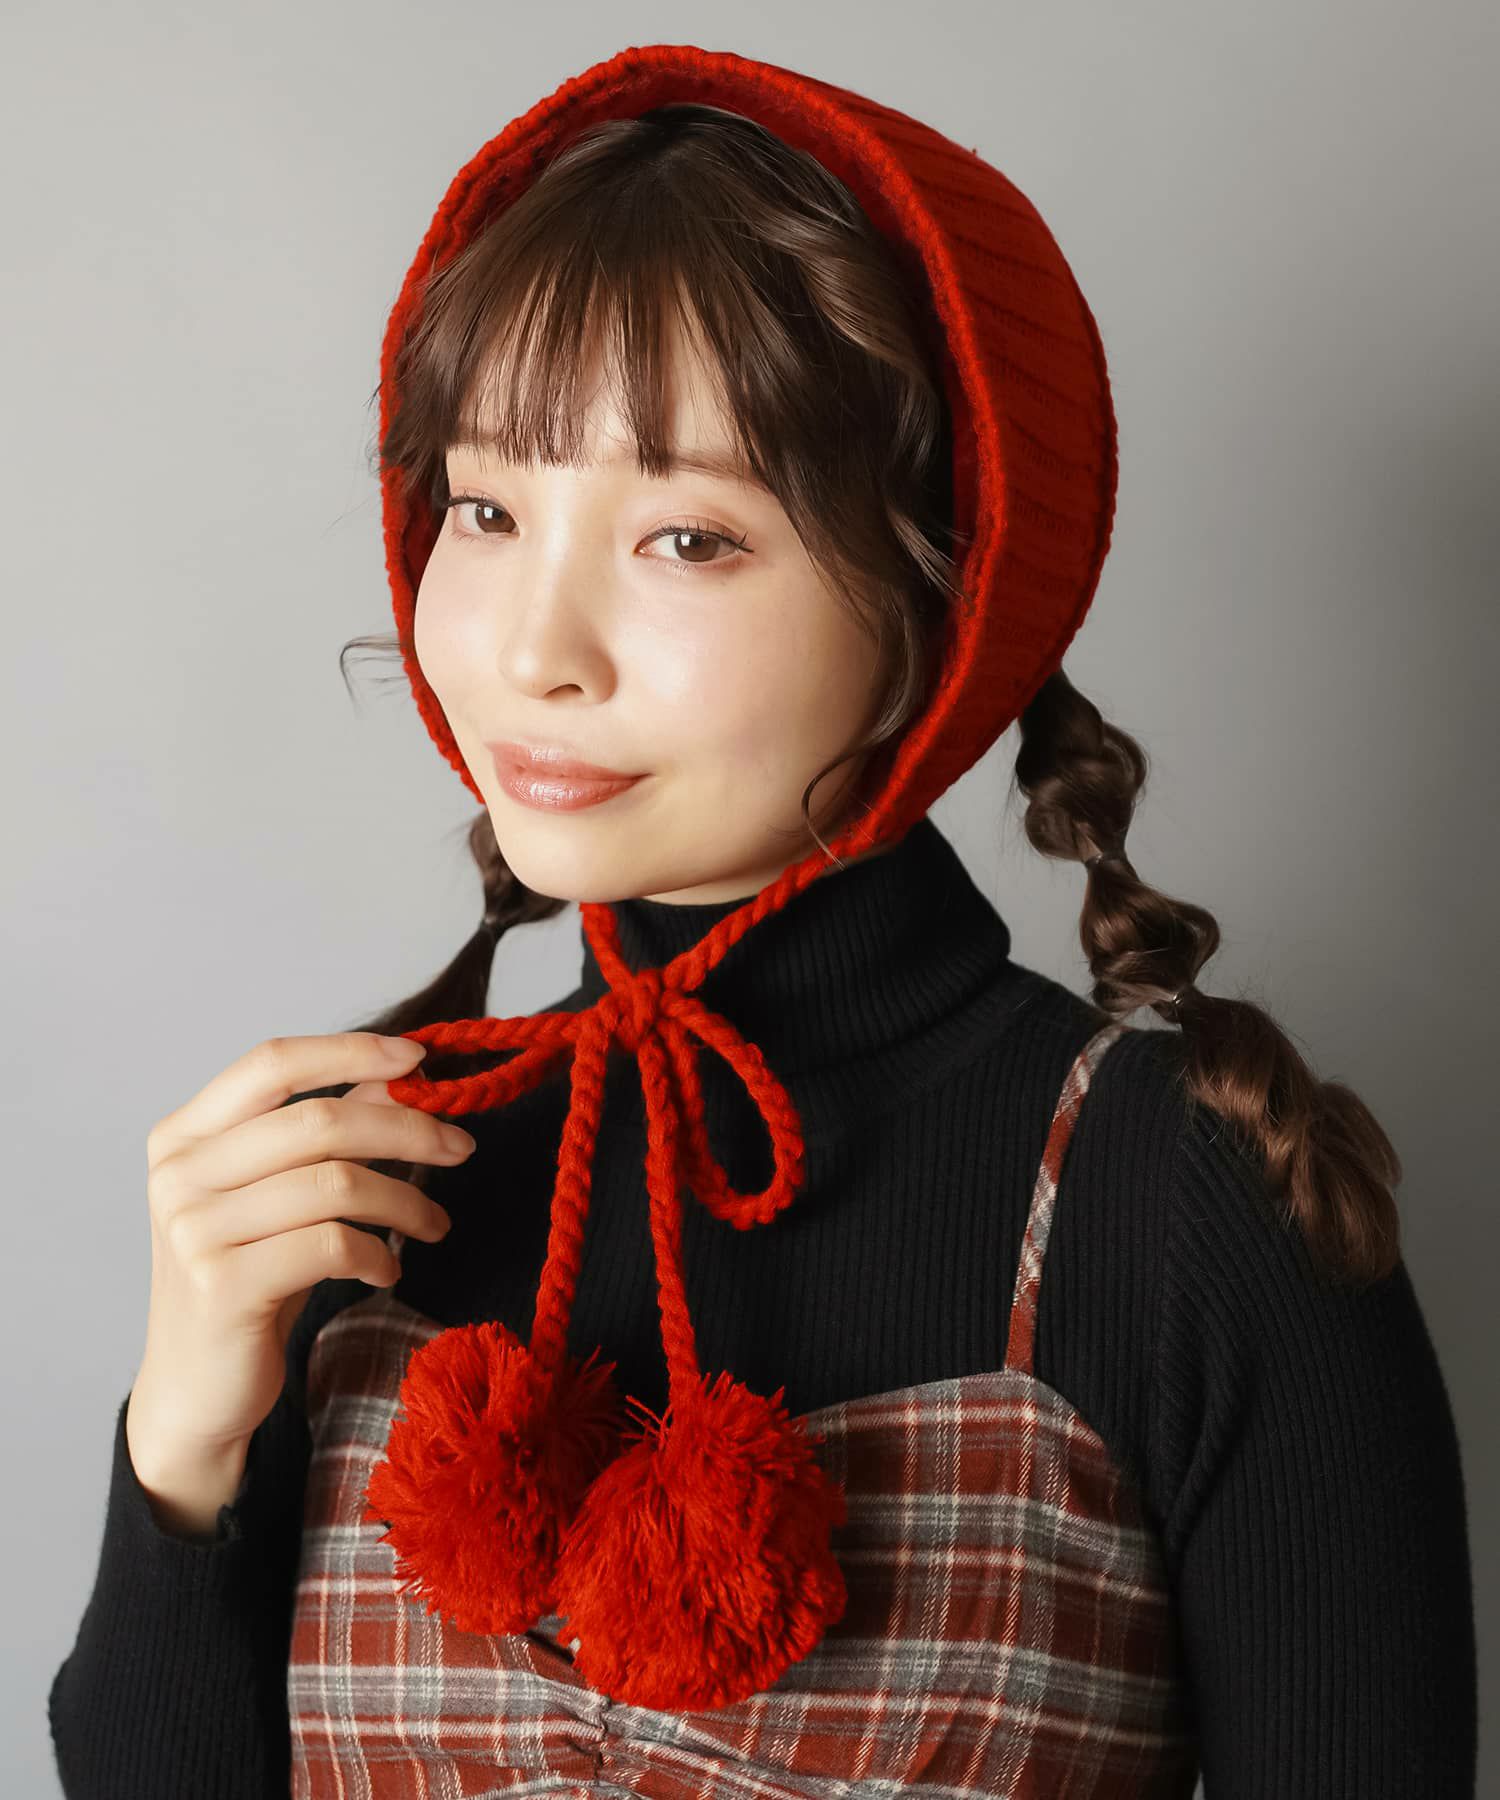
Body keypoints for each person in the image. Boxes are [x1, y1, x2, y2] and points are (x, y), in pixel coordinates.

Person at [48, 42, 1476, 1800]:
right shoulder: (360, 1173)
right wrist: (184, 1435)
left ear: (945, 589)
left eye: (689, 540)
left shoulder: (1190, 1206)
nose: (533, 649)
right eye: (486, 509)